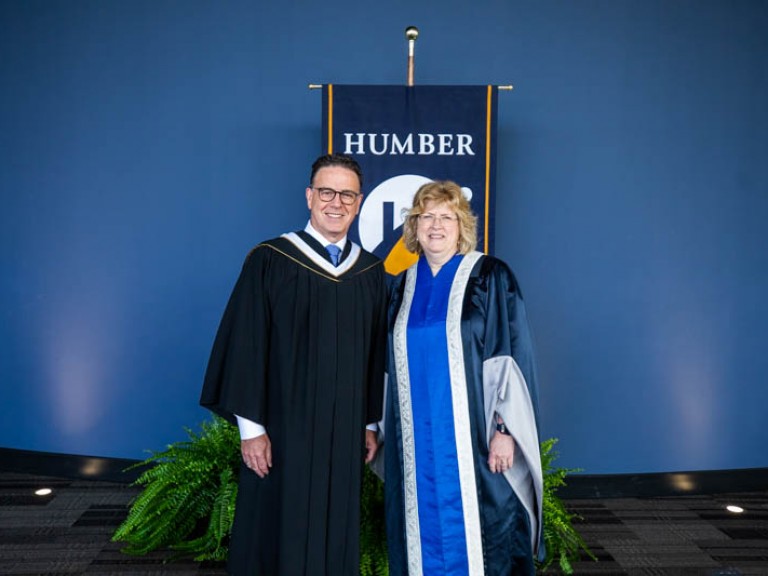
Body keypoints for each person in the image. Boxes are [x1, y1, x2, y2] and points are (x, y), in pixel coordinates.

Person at [200, 153, 387, 576]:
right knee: (277, 524)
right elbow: (245, 344)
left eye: (347, 194)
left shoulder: (371, 272)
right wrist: (252, 430)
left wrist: (370, 423)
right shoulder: (270, 260)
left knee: (336, 522)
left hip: (344, 432)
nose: (335, 202)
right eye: (326, 191)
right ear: (309, 196)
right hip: (283, 430)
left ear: (359, 203)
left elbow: (378, 353)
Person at [383, 180, 545, 576]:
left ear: (461, 226)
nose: (435, 226)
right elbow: (385, 365)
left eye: (446, 217)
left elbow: (511, 353)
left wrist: (505, 429)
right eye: (427, 217)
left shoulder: (490, 276)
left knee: (488, 530)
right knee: (418, 531)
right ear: (414, 226)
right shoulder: (402, 285)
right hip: (415, 441)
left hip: (475, 439)